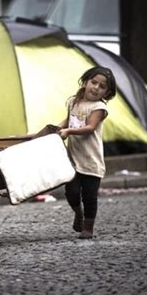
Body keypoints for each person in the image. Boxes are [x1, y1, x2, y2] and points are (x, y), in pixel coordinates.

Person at [58, 66, 117, 239]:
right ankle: (78, 213)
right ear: (85, 82)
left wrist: (68, 132)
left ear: (106, 92)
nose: (96, 87)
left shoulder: (99, 108)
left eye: (102, 86)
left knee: (90, 196)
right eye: (94, 82)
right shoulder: (73, 102)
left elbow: (90, 127)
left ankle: (88, 228)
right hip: (73, 160)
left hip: (91, 161)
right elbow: (68, 120)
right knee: (72, 193)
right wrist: (58, 128)